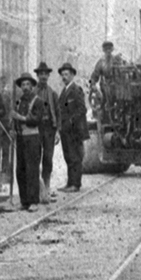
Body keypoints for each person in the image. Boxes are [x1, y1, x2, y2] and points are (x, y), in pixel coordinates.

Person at [11, 74, 42, 212]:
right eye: (22, 85)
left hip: (33, 138)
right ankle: (24, 201)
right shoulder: (18, 102)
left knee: (32, 170)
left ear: (32, 86)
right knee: (20, 170)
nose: (25, 87)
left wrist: (21, 118)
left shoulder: (38, 101)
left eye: (27, 84)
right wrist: (13, 128)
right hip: (20, 138)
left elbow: (36, 120)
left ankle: (34, 201)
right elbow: (14, 119)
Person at [57, 62, 89, 193]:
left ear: (72, 75)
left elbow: (82, 109)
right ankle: (70, 183)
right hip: (65, 131)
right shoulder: (64, 91)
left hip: (75, 131)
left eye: (66, 74)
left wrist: (71, 121)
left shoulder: (76, 90)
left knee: (75, 157)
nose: (64, 77)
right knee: (68, 156)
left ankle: (76, 184)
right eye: (62, 75)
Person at [33, 61, 59, 203]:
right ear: (37, 76)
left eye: (45, 74)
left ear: (48, 76)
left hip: (49, 128)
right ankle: (38, 188)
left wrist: (57, 132)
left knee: (48, 158)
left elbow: (58, 113)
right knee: (35, 157)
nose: (43, 76)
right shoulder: (33, 93)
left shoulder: (52, 93)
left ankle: (47, 187)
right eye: (41, 74)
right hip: (36, 128)